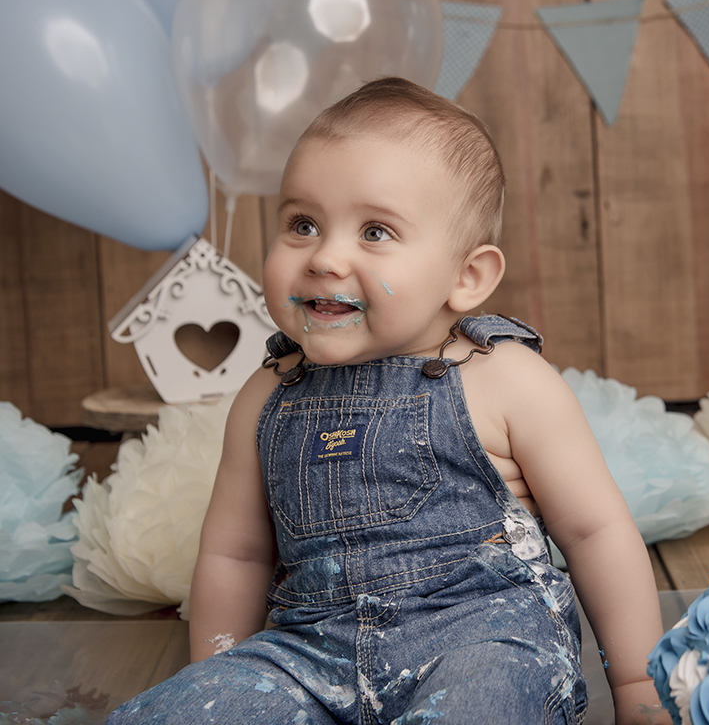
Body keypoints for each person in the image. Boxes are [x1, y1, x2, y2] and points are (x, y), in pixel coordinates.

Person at [108, 78, 669, 725]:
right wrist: (216, 682)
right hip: (308, 655)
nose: (325, 257)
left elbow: (595, 532)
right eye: (303, 224)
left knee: (481, 707)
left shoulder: (504, 379)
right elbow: (236, 555)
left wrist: (638, 684)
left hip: (482, 642)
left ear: (467, 278)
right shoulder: (268, 394)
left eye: (375, 231)